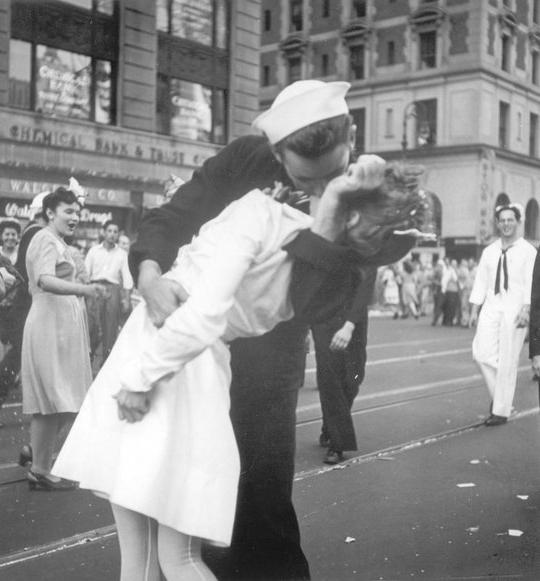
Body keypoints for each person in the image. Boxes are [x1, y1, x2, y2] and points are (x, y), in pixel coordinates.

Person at [52, 159, 426, 581]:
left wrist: (140, 377)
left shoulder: (266, 218)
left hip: (169, 359)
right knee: (156, 558)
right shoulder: (305, 253)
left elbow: (203, 313)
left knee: (163, 559)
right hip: (185, 364)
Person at [20, 188, 105, 490]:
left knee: (66, 399)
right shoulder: (44, 238)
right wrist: (83, 290)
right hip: (48, 325)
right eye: (68, 211)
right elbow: (44, 279)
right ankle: (40, 467)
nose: (75, 217)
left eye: (77, 212)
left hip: (60, 327)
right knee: (54, 399)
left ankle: (37, 454)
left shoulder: (58, 242)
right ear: (50, 213)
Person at [469, 204, 536, 426]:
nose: (506, 224)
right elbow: (481, 281)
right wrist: (473, 308)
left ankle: (500, 410)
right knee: (481, 353)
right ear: (497, 223)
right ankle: (501, 399)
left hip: (516, 309)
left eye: (510, 220)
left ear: (517, 222)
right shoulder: (489, 251)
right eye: (502, 220)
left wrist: (526, 309)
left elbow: (531, 283)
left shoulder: (529, 251)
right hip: (492, 305)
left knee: (508, 360)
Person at [311, 266, 376, 464]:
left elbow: (366, 284)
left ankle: (329, 426)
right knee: (329, 376)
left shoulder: (366, 244)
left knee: (354, 377)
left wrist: (349, 325)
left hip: (354, 319)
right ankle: (337, 444)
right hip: (324, 317)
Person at [85, 220, 133, 363]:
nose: (112, 234)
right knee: (92, 326)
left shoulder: (122, 254)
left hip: (113, 290)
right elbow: (86, 273)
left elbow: (127, 277)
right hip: (95, 288)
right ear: (104, 232)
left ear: (118, 235)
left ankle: (105, 365)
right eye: (109, 231)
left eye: (115, 232)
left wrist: (126, 299)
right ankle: (87, 361)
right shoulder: (94, 251)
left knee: (110, 329)